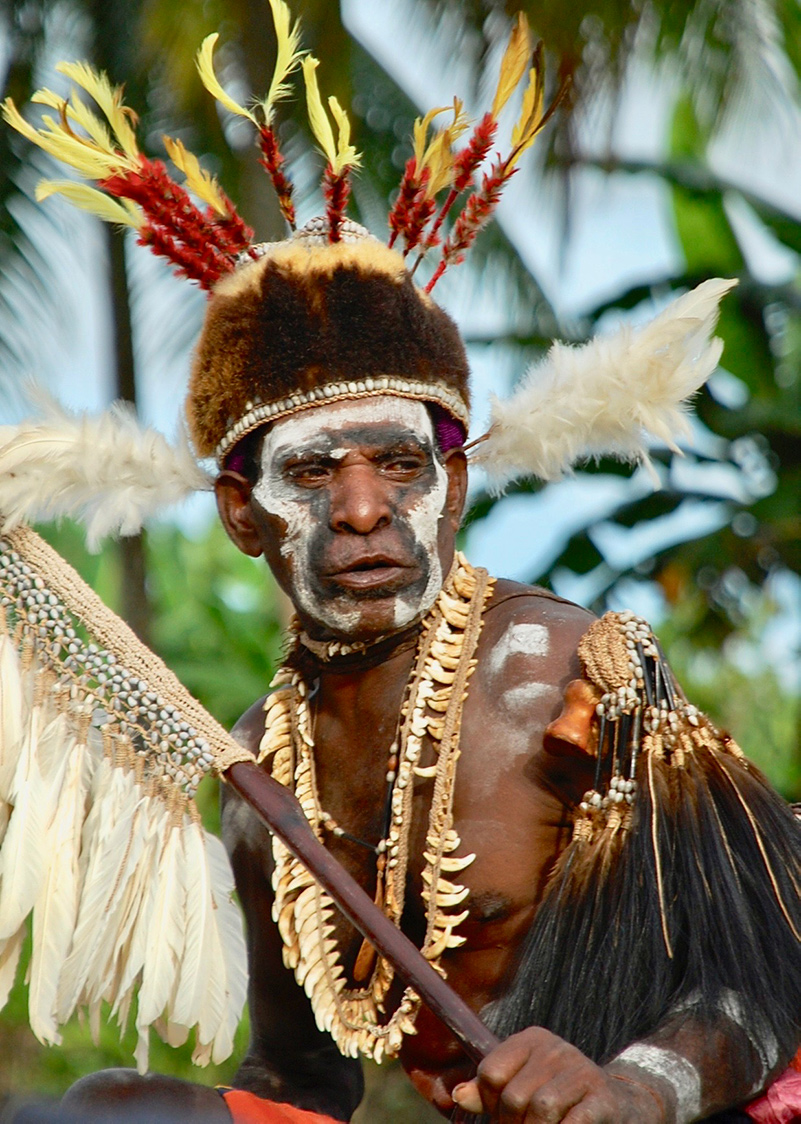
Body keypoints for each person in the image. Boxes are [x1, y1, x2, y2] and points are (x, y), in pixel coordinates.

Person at [2, 10, 799, 1122]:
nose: (366, 507)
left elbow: (766, 975)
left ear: (456, 489)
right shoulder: (253, 774)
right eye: (316, 469)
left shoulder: (569, 677)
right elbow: (301, 1082)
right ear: (243, 511)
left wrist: (630, 1086)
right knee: (95, 1107)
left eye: (401, 463)